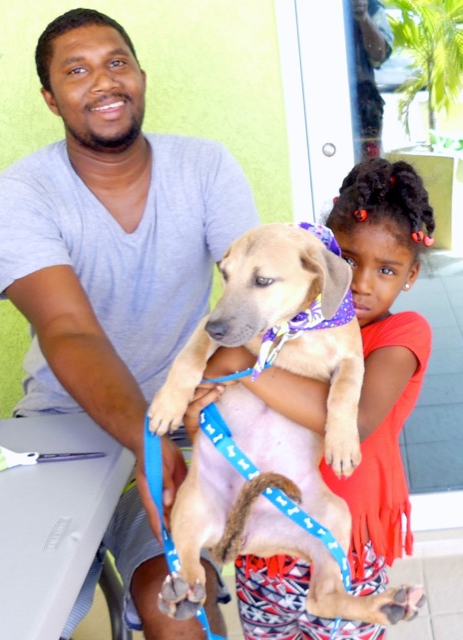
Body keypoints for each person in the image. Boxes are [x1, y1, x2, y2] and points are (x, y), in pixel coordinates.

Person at [0, 8, 260, 640]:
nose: (103, 82)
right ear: (51, 100)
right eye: (76, 71)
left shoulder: (205, 168)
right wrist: (144, 441)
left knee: (177, 601)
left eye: (116, 63)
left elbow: (246, 314)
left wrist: (188, 424)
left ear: (141, 75)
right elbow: (68, 330)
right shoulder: (17, 195)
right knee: (18, 608)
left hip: (180, 427)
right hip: (62, 435)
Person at [185, 157, 435, 639]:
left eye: (386, 269)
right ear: (319, 261)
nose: (360, 283)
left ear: (410, 276)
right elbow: (212, 382)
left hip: (343, 546)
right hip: (265, 541)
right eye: (348, 260)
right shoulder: (280, 320)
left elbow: (354, 419)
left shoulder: (402, 334)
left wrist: (244, 364)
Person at [351, 0, 394, 159]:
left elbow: (379, 53)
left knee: (369, 167)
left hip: (363, 100)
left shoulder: (370, 4)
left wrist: (363, 16)